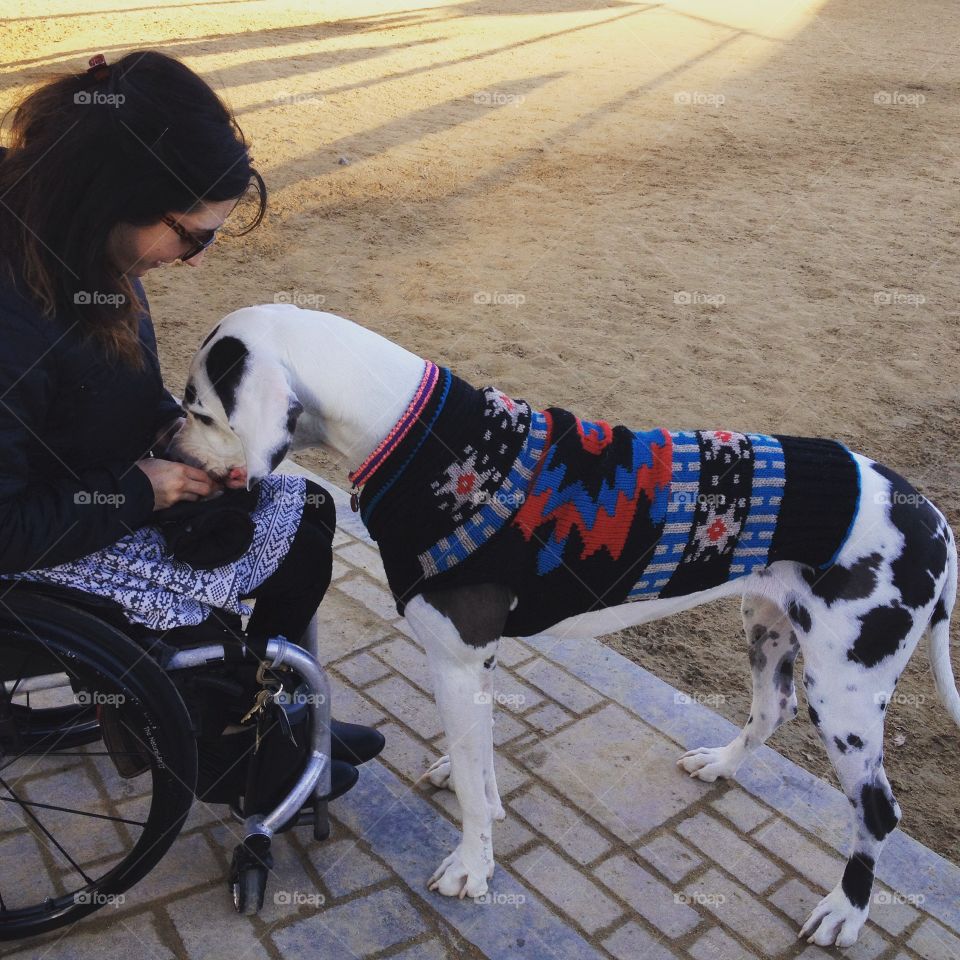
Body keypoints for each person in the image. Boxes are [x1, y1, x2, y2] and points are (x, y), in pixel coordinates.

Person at [0, 50, 381, 801]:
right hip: (30, 543)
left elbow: (110, 389)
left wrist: (181, 437)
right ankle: (244, 764)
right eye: (192, 234)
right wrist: (139, 493)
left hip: (84, 488)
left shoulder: (80, 243)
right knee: (190, 610)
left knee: (300, 512)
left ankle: (285, 715)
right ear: (116, 194)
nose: (198, 260)